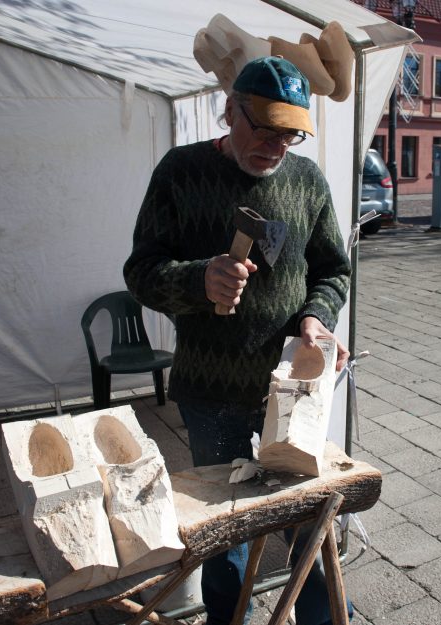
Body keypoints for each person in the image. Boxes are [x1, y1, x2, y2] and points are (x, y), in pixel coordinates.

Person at [124, 57, 352, 625]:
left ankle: (322, 618)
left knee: (309, 517)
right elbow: (141, 271)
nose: (276, 146)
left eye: (289, 132)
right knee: (228, 533)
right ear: (229, 110)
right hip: (213, 391)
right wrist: (197, 279)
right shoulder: (180, 171)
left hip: (294, 389)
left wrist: (317, 317)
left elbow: (332, 270)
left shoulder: (306, 180)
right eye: (264, 128)